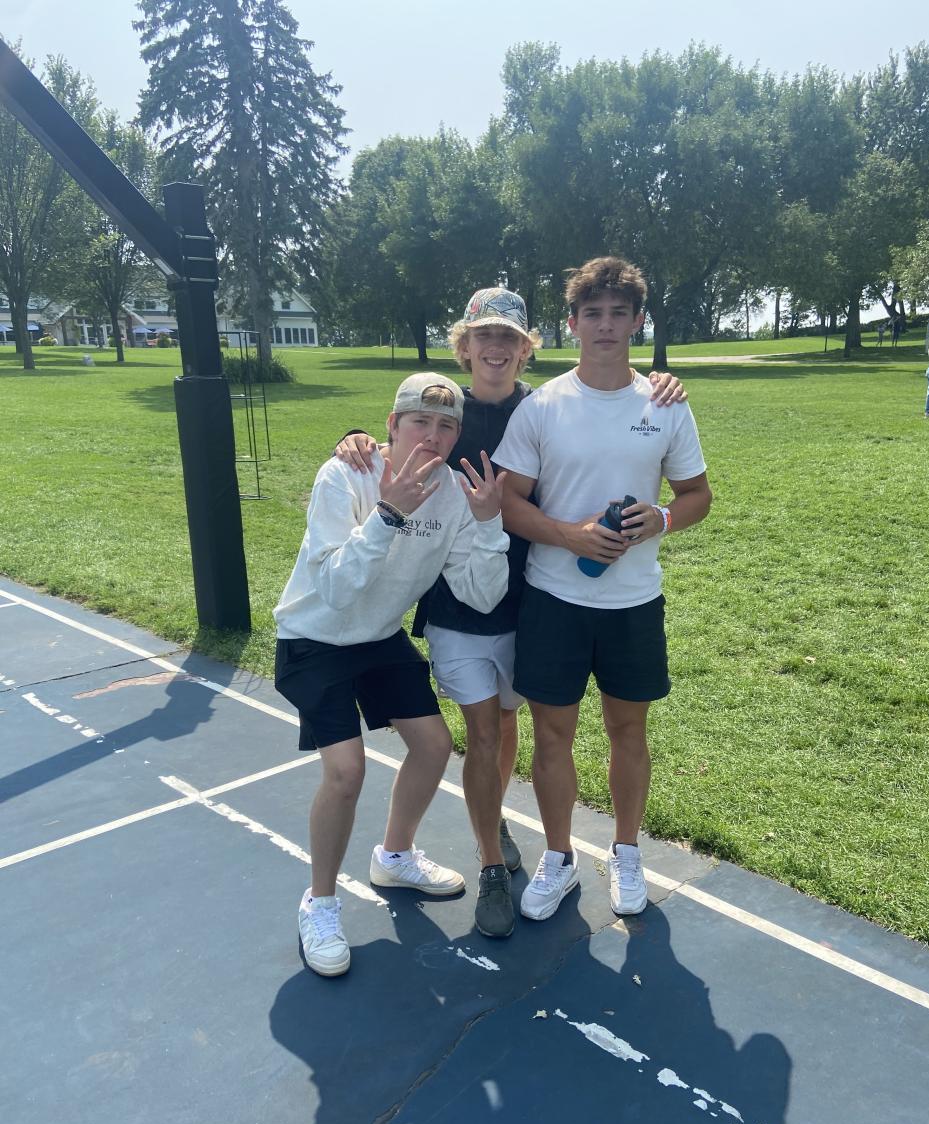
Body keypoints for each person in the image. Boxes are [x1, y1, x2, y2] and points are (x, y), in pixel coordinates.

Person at [336, 289, 688, 939]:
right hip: (460, 599)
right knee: (486, 731)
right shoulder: (448, 409)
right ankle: (493, 864)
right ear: (464, 345)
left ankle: (494, 815)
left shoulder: (544, 406)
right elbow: (399, 436)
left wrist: (656, 386)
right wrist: (353, 439)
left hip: (535, 596)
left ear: (527, 348)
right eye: (483, 336)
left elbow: (609, 413)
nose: (495, 348)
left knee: (507, 723)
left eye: (509, 337)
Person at [492, 256, 712, 924]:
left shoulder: (666, 404)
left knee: (628, 730)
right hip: (554, 600)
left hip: (633, 603)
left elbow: (697, 495)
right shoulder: (542, 406)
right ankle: (559, 857)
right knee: (552, 735)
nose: (606, 325)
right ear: (573, 323)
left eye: (620, 313)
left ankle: (626, 851)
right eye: (594, 313)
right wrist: (570, 536)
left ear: (638, 321)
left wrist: (663, 519)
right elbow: (508, 503)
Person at [274, 372, 509, 975]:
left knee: (433, 745)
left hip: (378, 637)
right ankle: (320, 903)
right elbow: (335, 589)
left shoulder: (456, 493)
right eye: (419, 422)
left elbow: (481, 595)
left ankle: (394, 856)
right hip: (315, 636)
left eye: (446, 425)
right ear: (392, 425)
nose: (432, 435)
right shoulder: (345, 474)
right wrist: (388, 513)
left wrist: (488, 524)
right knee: (346, 772)